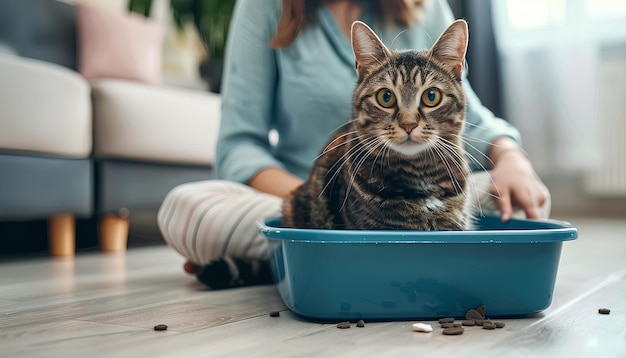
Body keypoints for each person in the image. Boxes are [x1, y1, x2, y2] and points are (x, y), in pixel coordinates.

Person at [157, 0, 550, 288]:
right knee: (188, 209)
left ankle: (300, 259)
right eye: (388, 100)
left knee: (519, 198)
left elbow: (473, 119)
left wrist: (513, 158)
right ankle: (315, 243)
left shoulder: (426, 7)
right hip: (302, 196)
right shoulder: (265, 7)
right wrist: (309, 199)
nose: (408, 121)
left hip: (431, 183)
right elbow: (238, 144)